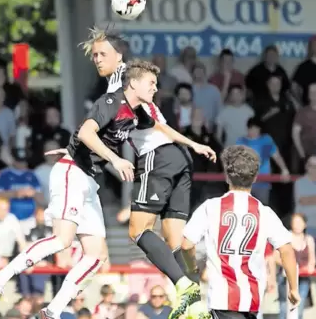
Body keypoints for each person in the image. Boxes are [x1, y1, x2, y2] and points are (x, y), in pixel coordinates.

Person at [0, 59, 163, 319]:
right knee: (62, 239)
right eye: (151, 83)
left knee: (97, 255)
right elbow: (88, 133)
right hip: (72, 173)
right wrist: (113, 158)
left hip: (88, 178)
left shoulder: (139, 113)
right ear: (133, 83)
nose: (155, 88)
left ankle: (53, 310)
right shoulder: (112, 102)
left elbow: (159, 130)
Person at [80, 27, 216, 319]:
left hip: (158, 159)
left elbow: (98, 130)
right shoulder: (133, 97)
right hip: (180, 160)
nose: (96, 59)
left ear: (118, 57)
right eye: (94, 55)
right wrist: (193, 144)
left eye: (101, 54)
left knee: (137, 231)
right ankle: (196, 306)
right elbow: (159, 126)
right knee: (174, 240)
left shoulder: (124, 82)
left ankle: (182, 285)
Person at [180, 145, 300, 319]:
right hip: (252, 301)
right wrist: (294, 288)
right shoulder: (264, 211)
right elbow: (287, 250)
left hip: (221, 298)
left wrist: (192, 269)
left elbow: (186, 244)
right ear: (255, 177)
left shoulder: (211, 207)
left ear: (227, 176)